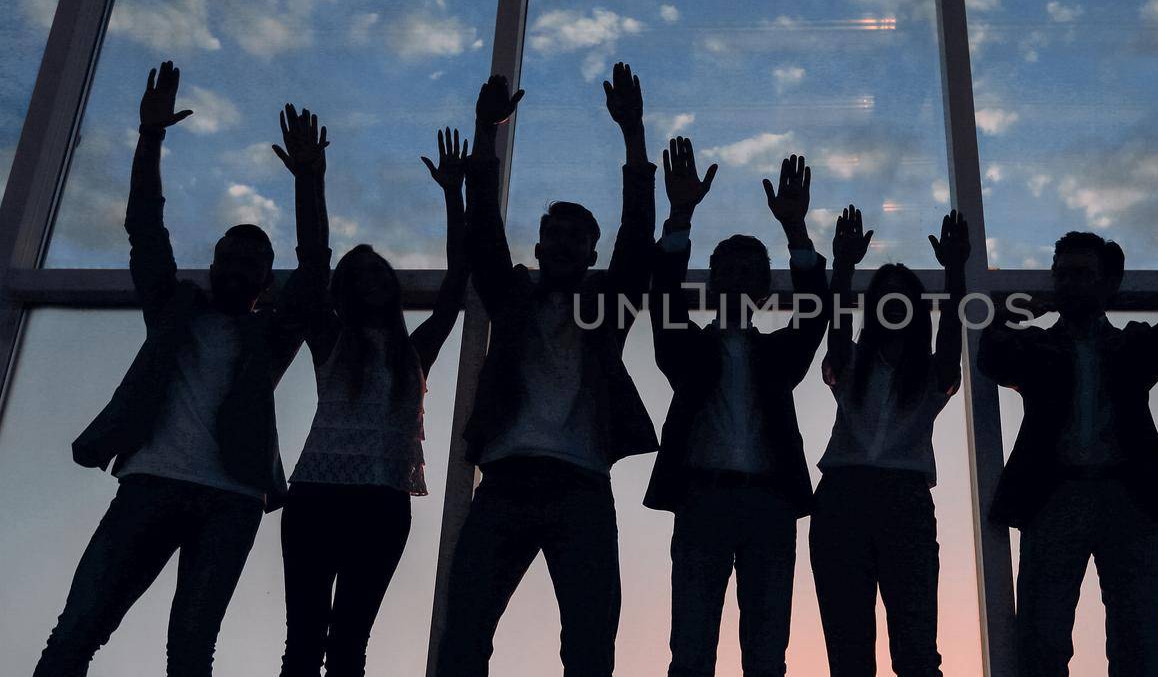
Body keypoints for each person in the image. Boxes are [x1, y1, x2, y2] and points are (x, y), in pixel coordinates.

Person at [34, 62, 314, 677]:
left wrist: (308, 183)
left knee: (189, 653)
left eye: (253, 261)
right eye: (229, 255)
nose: (238, 266)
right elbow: (144, 229)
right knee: (77, 630)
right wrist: (151, 137)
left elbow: (315, 272)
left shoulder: (269, 336)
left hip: (232, 496)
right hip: (152, 481)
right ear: (213, 263)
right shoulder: (173, 310)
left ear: (267, 281)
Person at [434, 66, 659, 677]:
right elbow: (483, 229)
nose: (560, 245)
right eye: (551, 235)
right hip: (507, 481)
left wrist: (633, 133)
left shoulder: (605, 308)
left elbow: (638, 238)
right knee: (465, 636)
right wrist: (487, 132)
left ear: (590, 252)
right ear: (537, 249)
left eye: (574, 238)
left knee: (588, 646)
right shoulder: (512, 300)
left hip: (580, 486)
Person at [276, 120, 469, 676]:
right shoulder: (332, 340)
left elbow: (458, 281)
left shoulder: (413, 354)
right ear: (345, 289)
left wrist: (453, 195)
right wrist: (310, 179)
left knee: (350, 644)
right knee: (304, 641)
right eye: (357, 275)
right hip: (317, 497)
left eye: (377, 272)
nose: (370, 280)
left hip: (383, 502)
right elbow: (313, 261)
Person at [978, 232, 1158, 677]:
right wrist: (1003, 317)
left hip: (1128, 499)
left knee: (1138, 639)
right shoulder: (1039, 347)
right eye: (1062, 275)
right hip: (1057, 496)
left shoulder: (1130, 345)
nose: (1070, 284)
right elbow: (994, 358)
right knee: (1042, 640)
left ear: (1108, 284)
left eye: (1082, 274)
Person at [645, 148, 829, 677]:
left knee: (767, 655)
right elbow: (663, 298)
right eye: (728, 268)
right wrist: (680, 218)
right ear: (714, 281)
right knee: (691, 652)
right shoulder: (686, 349)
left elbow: (814, 315)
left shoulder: (777, 356)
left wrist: (797, 232)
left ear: (766, 288)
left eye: (751, 270)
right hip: (703, 500)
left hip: (769, 507)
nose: (738, 277)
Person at [809, 208, 969, 677]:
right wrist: (842, 266)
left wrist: (956, 271)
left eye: (902, 301)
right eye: (884, 300)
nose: (893, 308)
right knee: (849, 649)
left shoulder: (930, 373)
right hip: (845, 499)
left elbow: (954, 328)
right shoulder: (851, 363)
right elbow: (836, 321)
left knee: (916, 648)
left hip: (902, 501)